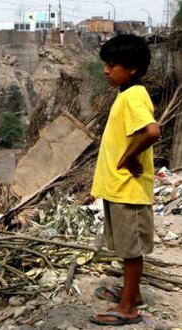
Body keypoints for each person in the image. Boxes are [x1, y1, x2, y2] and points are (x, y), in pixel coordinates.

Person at [89, 34, 161, 326]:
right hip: (119, 189)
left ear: (130, 68)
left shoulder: (132, 97)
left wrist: (129, 158)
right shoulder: (127, 92)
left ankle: (128, 307)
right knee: (125, 248)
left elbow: (151, 132)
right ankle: (132, 293)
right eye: (106, 64)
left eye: (112, 64)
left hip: (128, 190)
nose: (106, 70)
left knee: (131, 252)